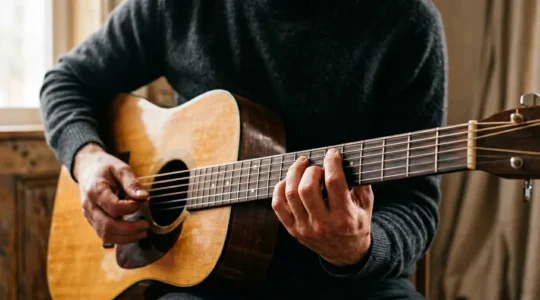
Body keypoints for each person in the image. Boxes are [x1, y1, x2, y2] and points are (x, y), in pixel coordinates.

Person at [39, 0, 447, 299]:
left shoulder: (408, 23)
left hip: (353, 285)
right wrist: (87, 158)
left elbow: (415, 205)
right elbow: (67, 81)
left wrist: (358, 247)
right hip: (202, 283)